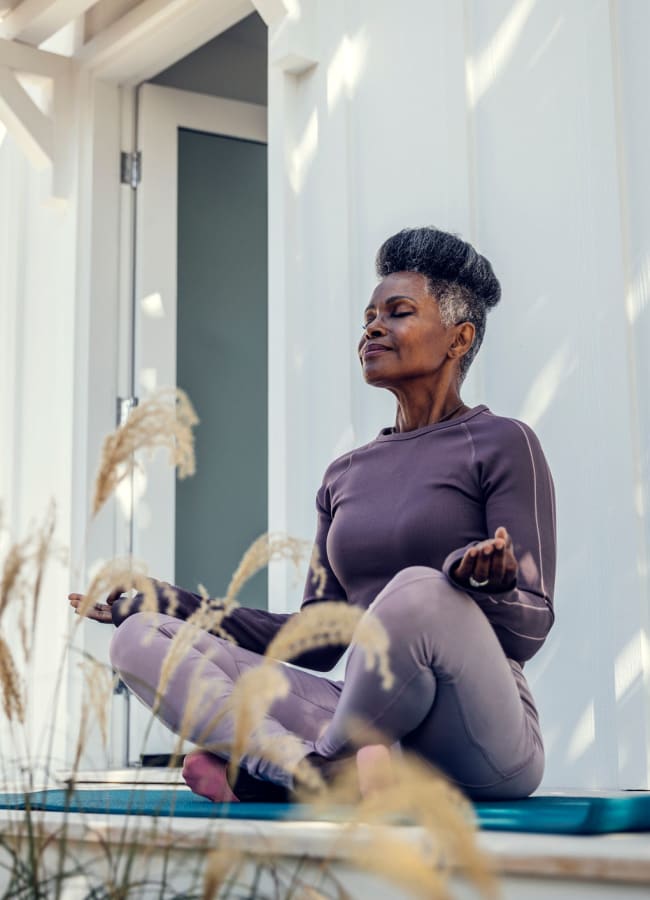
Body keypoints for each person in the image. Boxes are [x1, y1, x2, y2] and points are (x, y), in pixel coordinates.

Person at [70, 226, 556, 803]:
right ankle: (309, 770)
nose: (373, 328)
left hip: (480, 740)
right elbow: (317, 639)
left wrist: (491, 587)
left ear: (458, 338)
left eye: (398, 313)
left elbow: (531, 628)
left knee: (419, 590)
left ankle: (305, 770)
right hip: (369, 727)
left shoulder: (503, 443)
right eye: (368, 317)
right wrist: (168, 601)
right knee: (140, 639)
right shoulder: (346, 474)